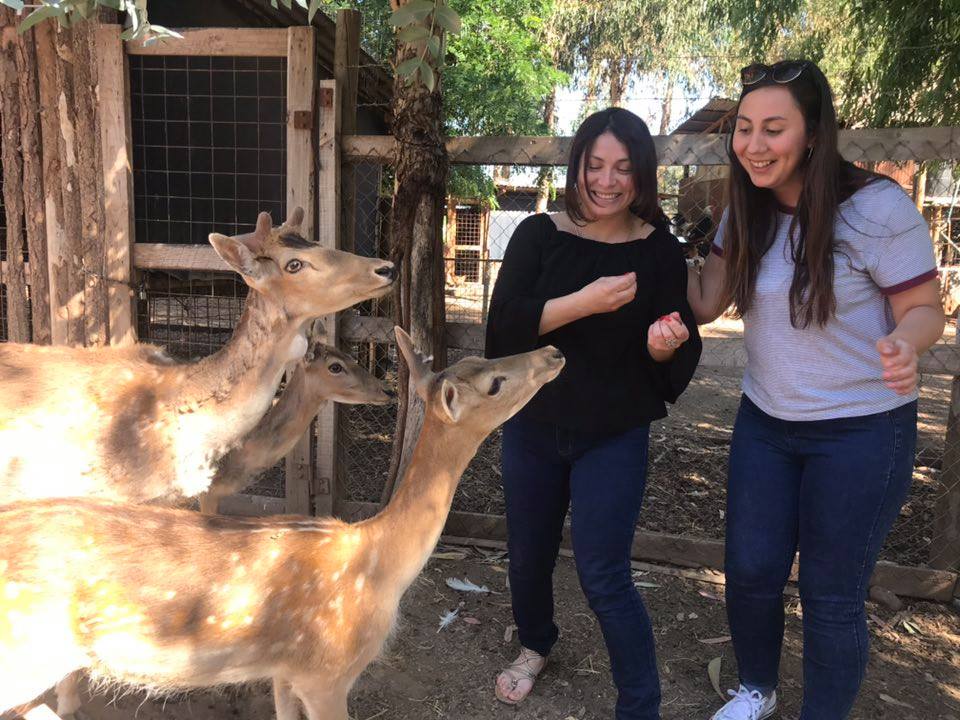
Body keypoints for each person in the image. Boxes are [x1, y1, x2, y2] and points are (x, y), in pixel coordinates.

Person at [687, 60, 944, 720]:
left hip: (862, 431)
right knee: (748, 571)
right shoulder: (743, 210)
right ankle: (756, 689)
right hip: (767, 423)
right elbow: (706, 302)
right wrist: (638, 254)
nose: (754, 144)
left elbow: (925, 309)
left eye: (774, 129)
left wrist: (904, 343)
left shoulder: (875, 208)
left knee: (831, 592)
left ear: (812, 134)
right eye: (745, 129)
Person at [485, 107, 702, 719]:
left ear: (642, 176)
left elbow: (676, 335)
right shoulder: (537, 235)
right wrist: (580, 303)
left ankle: (640, 702)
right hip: (533, 424)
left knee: (604, 571)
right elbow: (502, 332)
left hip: (614, 432)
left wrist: (665, 343)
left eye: (622, 169)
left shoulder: (659, 250)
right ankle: (535, 645)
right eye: (595, 165)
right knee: (528, 552)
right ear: (577, 165)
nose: (606, 181)